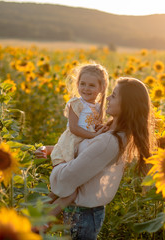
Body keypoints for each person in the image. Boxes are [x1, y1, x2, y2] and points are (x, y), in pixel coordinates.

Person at [36, 77, 156, 239]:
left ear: (126, 105)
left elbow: (65, 180)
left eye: (113, 95)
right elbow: (81, 153)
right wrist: (50, 150)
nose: (107, 98)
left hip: (82, 217)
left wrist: (57, 164)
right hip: (79, 215)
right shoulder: (108, 133)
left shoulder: (109, 141)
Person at [46, 63, 110, 217]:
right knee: (67, 191)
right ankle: (43, 218)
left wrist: (101, 130)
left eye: (91, 85)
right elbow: (74, 129)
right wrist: (95, 136)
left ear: (101, 88)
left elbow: (93, 127)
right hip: (69, 147)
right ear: (77, 84)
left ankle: (36, 214)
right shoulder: (76, 103)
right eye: (82, 84)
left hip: (82, 150)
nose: (86, 88)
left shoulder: (98, 107)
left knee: (63, 191)